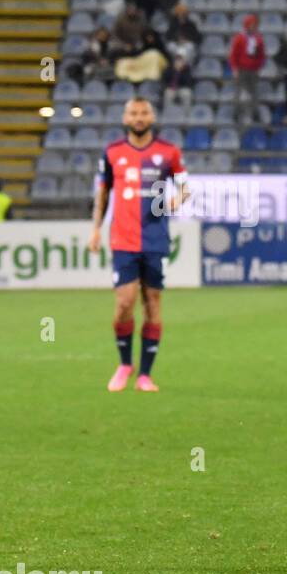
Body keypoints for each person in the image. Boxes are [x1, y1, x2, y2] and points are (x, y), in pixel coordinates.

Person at [88, 98, 190, 393]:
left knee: (153, 303)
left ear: (152, 116)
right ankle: (124, 364)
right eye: (134, 112)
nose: (139, 117)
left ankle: (145, 374)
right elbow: (103, 193)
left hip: (156, 239)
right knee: (124, 303)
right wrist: (95, 228)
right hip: (123, 238)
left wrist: (177, 199)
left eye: (144, 112)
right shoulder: (112, 152)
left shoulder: (168, 152)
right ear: (125, 117)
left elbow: (185, 187)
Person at [228, 14, 266, 124]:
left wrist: (259, 66)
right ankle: (236, 113)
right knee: (239, 93)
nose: (253, 27)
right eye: (252, 24)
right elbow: (233, 55)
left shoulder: (258, 39)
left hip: (253, 70)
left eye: (255, 25)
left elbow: (261, 55)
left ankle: (255, 114)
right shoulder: (239, 38)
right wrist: (234, 68)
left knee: (254, 93)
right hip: (241, 69)